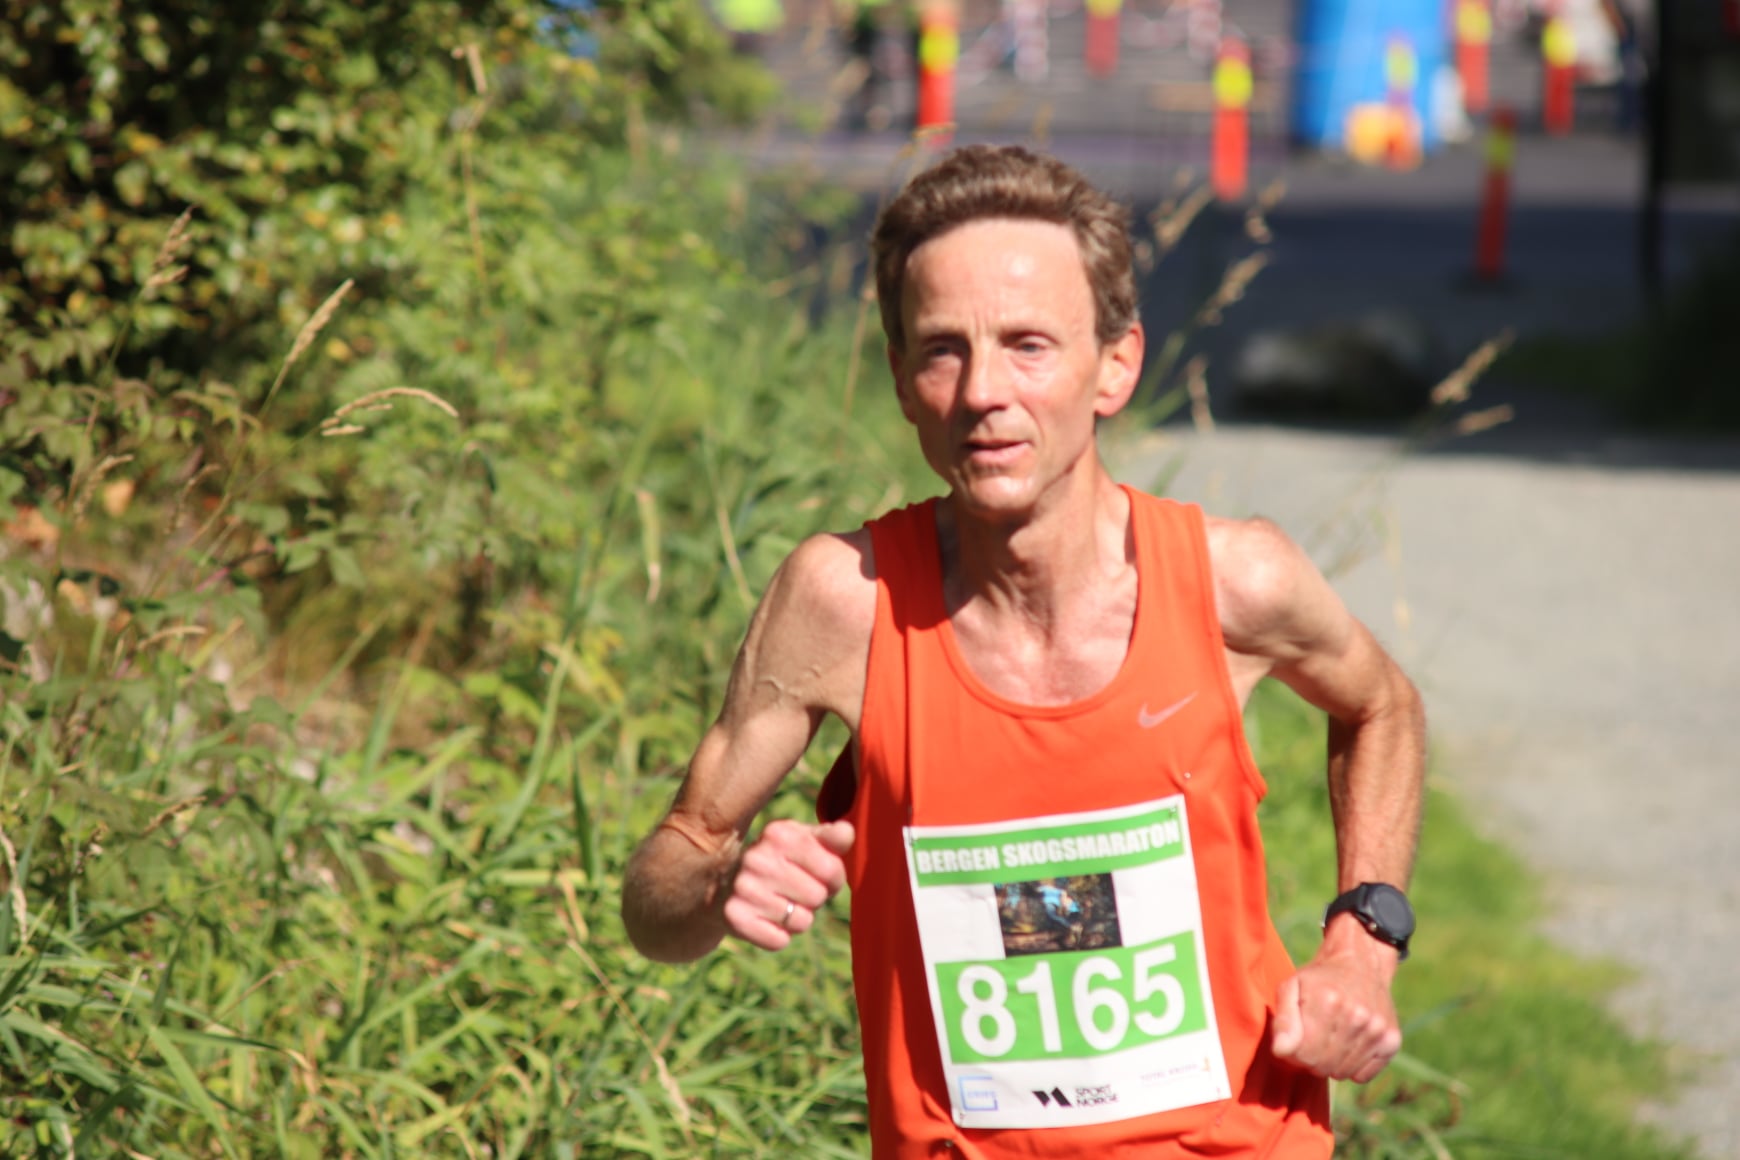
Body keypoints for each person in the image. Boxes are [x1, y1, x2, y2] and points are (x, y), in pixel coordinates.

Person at [621, 144, 1426, 1158]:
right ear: (901, 380)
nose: (983, 392)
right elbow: (660, 893)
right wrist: (719, 886)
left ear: (1115, 364)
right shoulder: (847, 603)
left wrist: (1363, 941)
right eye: (942, 350)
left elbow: (1383, 705)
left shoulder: (1233, 581)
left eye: (1028, 344)